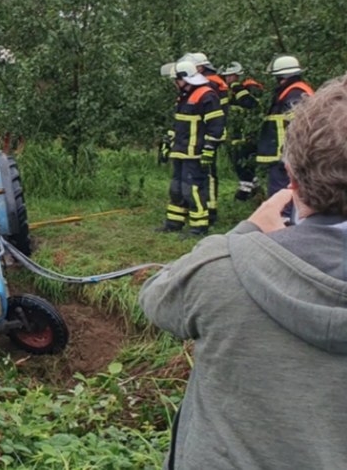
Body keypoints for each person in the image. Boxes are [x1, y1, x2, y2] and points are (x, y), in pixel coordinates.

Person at [139, 75, 347, 470]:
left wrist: (244, 234)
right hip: (186, 157)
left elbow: (157, 298)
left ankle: (196, 221)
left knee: (196, 194)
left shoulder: (222, 269)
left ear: (291, 176)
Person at [156, 60, 224, 236]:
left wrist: (209, 148)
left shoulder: (206, 95)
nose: (174, 84)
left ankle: (199, 227)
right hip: (181, 151)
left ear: (185, 78)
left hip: (195, 153)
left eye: (176, 80)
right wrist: (167, 143)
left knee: (192, 189)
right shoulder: (185, 96)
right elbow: (179, 125)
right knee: (176, 188)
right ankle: (174, 223)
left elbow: (216, 126)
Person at [256, 55, 314, 207]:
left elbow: (298, 125)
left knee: (282, 193)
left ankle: (283, 223)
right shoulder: (292, 92)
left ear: (284, 77)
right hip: (285, 153)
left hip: (285, 154)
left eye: (278, 77)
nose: (277, 81)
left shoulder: (294, 94)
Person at [218, 62, 264, 201]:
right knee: (237, 160)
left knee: (243, 160)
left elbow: (251, 104)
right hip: (236, 132)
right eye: (226, 76)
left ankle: (246, 190)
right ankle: (254, 188)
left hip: (249, 132)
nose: (228, 79)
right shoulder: (228, 89)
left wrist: (237, 88)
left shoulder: (250, 86)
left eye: (230, 76)